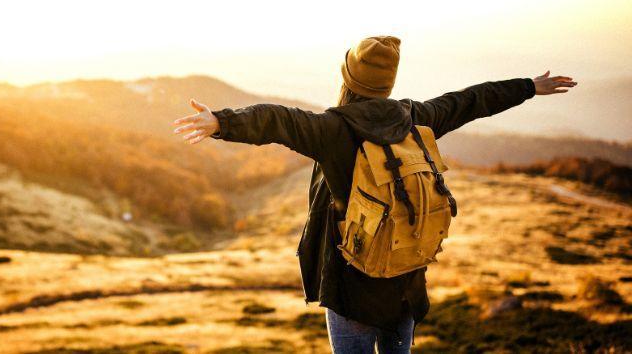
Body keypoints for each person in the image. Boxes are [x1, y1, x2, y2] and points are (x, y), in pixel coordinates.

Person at [172, 36, 576, 353]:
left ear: (348, 79)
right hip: (406, 282)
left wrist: (220, 122)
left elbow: (278, 120)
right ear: (388, 83)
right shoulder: (415, 117)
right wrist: (528, 86)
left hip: (353, 286)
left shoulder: (333, 129)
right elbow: (469, 101)